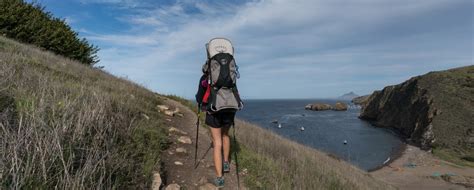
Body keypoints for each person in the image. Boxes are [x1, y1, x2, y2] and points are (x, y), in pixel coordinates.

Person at [195, 73, 235, 188]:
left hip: (214, 110)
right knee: (226, 135)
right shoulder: (229, 74)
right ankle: (226, 163)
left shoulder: (206, 76)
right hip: (229, 109)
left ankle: (220, 178)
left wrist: (200, 102)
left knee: (217, 142)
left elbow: (199, 97)